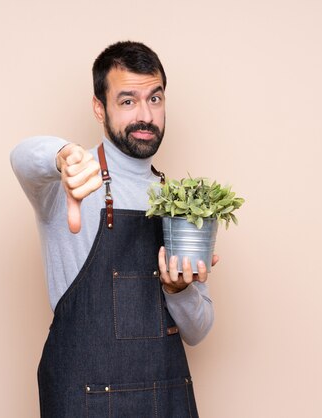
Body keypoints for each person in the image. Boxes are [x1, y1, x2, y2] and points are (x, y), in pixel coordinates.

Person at [11, 41, 217, 418]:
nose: (145, 115)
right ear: (98, 107)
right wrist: (63, 155)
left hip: (167, 397)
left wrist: (181, 290)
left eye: (155, 99)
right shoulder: (69, 181)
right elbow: (22, 158)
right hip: (84, 399)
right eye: (127, 101)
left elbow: (199, 331)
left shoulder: (180, 203)